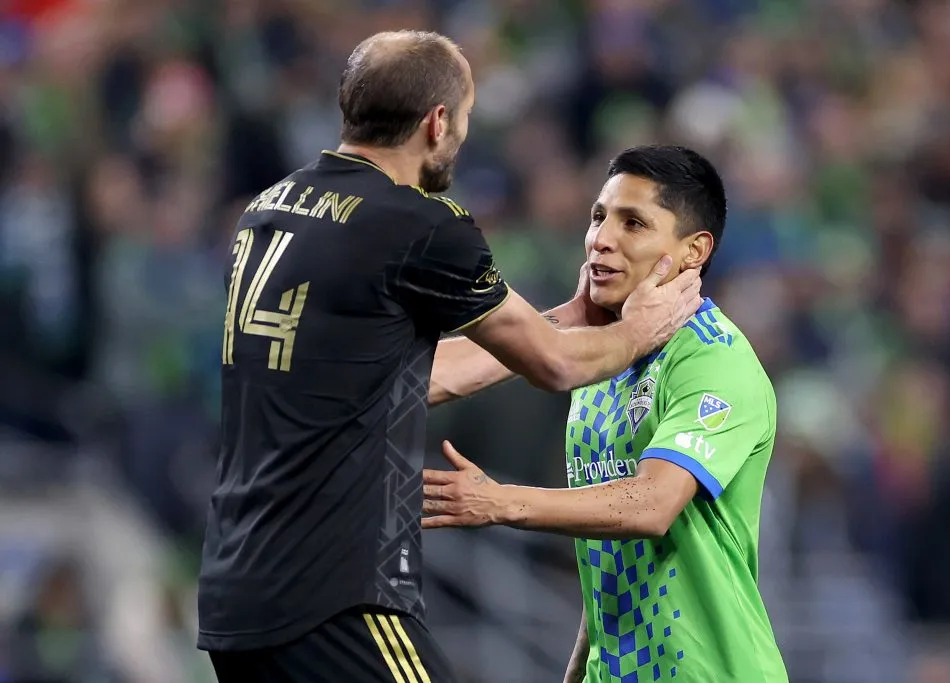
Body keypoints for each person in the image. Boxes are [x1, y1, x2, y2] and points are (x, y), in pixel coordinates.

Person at [197, 31, 704, 683]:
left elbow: (398, 378)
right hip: (334, 593)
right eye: (464, 117)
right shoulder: (417, 223)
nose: (462, 136)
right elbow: (557, 366)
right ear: (437, 122)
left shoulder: (269, 211)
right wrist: (638, 330)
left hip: (237, 593)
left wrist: (565, 318)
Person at [422, 145, 790, 683]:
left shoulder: (713, 359)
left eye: (633, 223)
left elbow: (652, 503)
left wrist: (500, 502)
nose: (601, 238)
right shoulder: (602, 363)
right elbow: (610, 551)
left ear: (693, 251)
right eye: (599, 217)